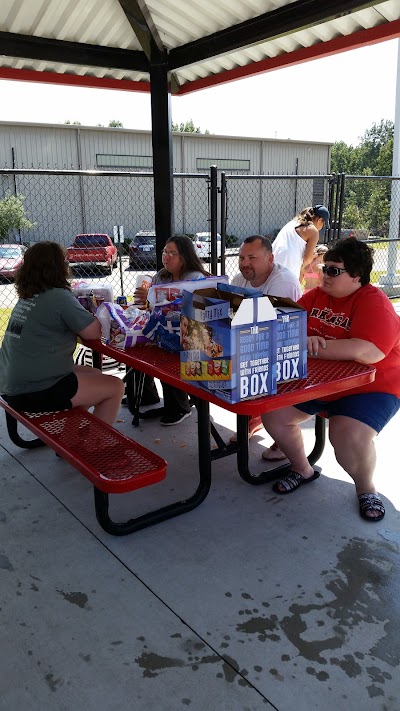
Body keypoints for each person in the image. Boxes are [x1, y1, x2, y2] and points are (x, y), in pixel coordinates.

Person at [260, 237, 400, 522]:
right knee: (273, 413)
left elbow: (368, 351)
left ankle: (366, 489)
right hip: (321, 380)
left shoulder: (374, 302)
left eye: (334, 270)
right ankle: (302, 469)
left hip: (372, 387)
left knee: (345, 434)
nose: (325, 274)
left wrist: (312, 344)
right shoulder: (315, 296)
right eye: (325, 268)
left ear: (357, 276)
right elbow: (285, 322)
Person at [0, 242, 124, 425]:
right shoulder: (58, 296)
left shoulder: (28, 296)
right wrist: (102, 312)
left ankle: (72, 436)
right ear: (57, 267)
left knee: (95, 373)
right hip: (37, 390)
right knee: (116, 386)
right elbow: (94, 333)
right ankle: (96, 448)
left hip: (12, 385)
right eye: (64, 261)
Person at [230, 235, 302, 443]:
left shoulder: (283, 282)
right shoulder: (240, 279)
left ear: (270, 258)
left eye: (252, 258)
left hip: (285, 349)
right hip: (253, 342)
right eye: (241, 257)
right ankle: (253, 415)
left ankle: (271, 427)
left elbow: (276, 332)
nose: (244, 263)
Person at [136, 234, 210, 426]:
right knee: (136, 348)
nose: (166, 257)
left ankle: (180, 407)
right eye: (164, 252)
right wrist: (146, 300)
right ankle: (146, 395)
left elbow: (196, 312)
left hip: (190, 335)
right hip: (165, 330)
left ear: (184, 256)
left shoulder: (195, 277)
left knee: (167, 355)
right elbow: (151, 309)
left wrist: (156, 301)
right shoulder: (161, 275)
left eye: (172, 253)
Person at [272, 205, 330, 280]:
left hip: (272, 261)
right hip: (288, 266)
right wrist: (312, 257)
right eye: (324, 224)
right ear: (319, 220)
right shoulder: (313, 231)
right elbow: (307, 259)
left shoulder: (293, 222)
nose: (322, 227)